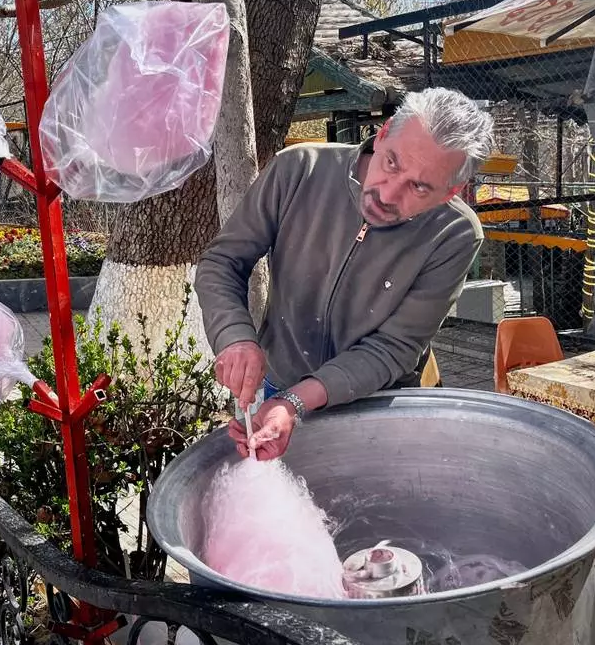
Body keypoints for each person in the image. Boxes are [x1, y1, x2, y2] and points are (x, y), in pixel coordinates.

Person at [195, 87, 492, 460]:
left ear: (451, 192)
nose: (388, 195)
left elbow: (395, 347)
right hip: (279, 383)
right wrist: (234, 337)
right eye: (392, 163)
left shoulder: (455, 233)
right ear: (383, 134)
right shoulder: (298, 169)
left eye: (419, 187)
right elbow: (223, 262)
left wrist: (295, 402)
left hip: (380, 401)